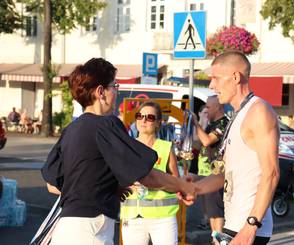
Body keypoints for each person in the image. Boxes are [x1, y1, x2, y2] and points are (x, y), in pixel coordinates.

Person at [41, 58, 196, 245]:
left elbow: (53, 184)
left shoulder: (71, 129)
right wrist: (183, 186)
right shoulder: (106, 125)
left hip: (66, 228)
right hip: (92, 229)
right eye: (114, 86)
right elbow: (147, 176)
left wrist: (105, 187)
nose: (116, 92)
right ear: (100, 92)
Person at [181, 51, 280, 245]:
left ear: (236, 77)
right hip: (233, 223)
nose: (211, 85)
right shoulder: (237, 115)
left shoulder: (258, 111)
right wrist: (195, 187)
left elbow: (272, 173)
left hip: (249, 227)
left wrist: (251, 226)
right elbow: (224, 175)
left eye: (215, 78)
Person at [121, 101, 180, 245]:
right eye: (140, 116)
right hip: (132, 218)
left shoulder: (166, 147)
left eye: (150, 117)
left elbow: (176, 182)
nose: (143, 120)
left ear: (158, 123)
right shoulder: (126, 146)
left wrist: (155, 183)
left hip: (163, 218)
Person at [192, 95, 228, 241]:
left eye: (208, 107)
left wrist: (195, 123)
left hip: (218, 173)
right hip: (208, 172)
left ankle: (219, 239)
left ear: (218, 107)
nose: (206, 110)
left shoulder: (224, 123)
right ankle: (215, 238)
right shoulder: (211, 124)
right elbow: (199, 144)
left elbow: (207, 141)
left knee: (216, 211)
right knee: (211, 211)